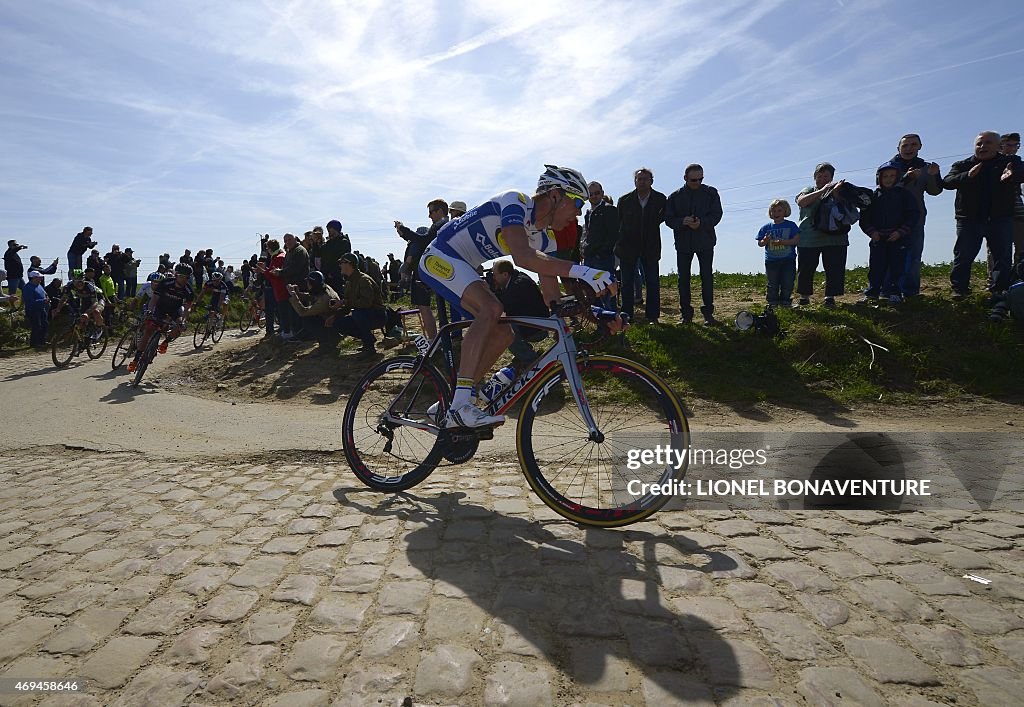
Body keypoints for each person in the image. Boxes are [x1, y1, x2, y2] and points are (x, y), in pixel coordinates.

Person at [418, 165, 611, 429]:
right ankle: (460, 406)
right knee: (491, 309)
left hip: (464, 265)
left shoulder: (544, 239)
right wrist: (585, 271)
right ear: (555, 195)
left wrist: (598, 314)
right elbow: (523, 257)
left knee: (505, 332)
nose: (579, 212)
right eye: (577, 202)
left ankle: (452, 404)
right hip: (440, 257)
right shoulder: (515, 202)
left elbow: (552, 298)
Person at [944, 131, 1024, 298]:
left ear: (998, 146)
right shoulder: (963, 164)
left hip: (1000, 218)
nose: (983, 146)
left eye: (988, 143)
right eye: (979, 144)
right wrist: (968, 175)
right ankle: (959, 289)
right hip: (969, 219)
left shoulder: (1011, 162)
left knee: (1002, 257)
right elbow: (947, 182)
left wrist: (1013, 175)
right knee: (963, 256)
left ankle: (999, 291)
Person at [665, 164, 723, 324]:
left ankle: (708, 315)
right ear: (685, 178)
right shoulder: (674, 197)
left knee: (707, 277)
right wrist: (683, 221)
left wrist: (702, 223)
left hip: (705, 241)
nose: (697, 182)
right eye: (693, 179)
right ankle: (686, 315)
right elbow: (668, 219)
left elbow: (717, 214)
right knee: (683, 279)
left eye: (700, 179)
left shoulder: (711, 193)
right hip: (683, 243)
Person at [887, 134, 943, 297]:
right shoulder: (888, 167)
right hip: (889, 218)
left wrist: (933, 175)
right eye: (905, 146)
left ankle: (910, 292)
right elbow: (884, 189)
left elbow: (934, 191)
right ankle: (888, 290)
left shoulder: (926, 167)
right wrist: (906, 178)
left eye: (913, 145)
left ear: (920, 146)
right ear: (898, 148)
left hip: (915, 219)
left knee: (913, 256)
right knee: (888, 255)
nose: (909, 148)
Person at [857, 162, 919, 304]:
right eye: (885, 176)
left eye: (892, 176)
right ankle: (872, 292)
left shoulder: (905, 195)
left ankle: (895, 292)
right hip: (878, 238)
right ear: (879, 178)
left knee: (897, 266)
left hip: (898, 238)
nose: (888, 179)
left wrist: (901, 232)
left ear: (898, 177)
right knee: (876, 267)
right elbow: (864, 218)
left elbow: (913, 215)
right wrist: (872, 232)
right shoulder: (872, 197)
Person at [795, 162, 849, 308]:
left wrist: (836, 194)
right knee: (806, 268)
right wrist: (823, 191)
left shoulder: (841, 190)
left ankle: (830, 297)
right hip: (809, 238)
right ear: (814, 177)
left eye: (826, 176)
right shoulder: (808, 190)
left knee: (834, 268)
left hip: (836, 238)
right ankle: (804, 297)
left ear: (832, 177)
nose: (823, 179)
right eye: (820, 176)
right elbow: (801, 202)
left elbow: (850, 209)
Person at [615, 168, 666, 323]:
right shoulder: (624, 200)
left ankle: (652, 316)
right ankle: (627, 316)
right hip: (628, 247)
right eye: (639, 179)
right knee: (627, 283)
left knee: (652, 282)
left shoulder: (660, 199)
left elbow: (662, 218)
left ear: (652, 181)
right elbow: (619, 222)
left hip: (650, 247)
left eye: (645, 179)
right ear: (635, 181)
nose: (642, 181)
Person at [396, 199, 449, 340]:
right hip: (436, 270)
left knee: (424, 307)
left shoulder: (441, 225)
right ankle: (441, 340)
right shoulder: (443, 225)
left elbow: (422, 240)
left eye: (431, 212)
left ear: (440, 211)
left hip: (429, 271)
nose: (429, 216)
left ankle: (434, 341)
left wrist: (404, 230)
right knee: (435, 308)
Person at [128, 264, 195, 372]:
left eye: (187, 277)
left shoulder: (189, 290)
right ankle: (135, 360)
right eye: (182, 276)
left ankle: (166, 342)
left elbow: (187, 308)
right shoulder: (166, 283)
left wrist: (183, 321)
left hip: (175, 310)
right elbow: (154, 298)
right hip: (160, 307)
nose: (184, 279)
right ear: (176, 275)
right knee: (148, 331)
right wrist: (150, 310)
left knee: (179, 327)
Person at [488, 259, 550, 367]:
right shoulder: (516, 279)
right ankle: (524, 353)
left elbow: (503, 305)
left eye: (494, 275)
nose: (493, 278)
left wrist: (492, 289)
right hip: (533, 324)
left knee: (504, 330)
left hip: (537, 328)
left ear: (505, 274)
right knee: (504, 325)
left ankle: (531, 360)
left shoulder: (519, 284)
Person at [326, 254, 386, 354]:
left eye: (341, 263)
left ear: (349, 264)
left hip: (377, 315)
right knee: (338, 323)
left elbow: (366, 303)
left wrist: (344, 302)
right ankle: (368, 340)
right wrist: (335, 316)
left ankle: (369, 347)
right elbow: (349, 305)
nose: (340, 265)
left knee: (357, 314)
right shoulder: (350, 282)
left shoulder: (363, 280)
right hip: (365, 314)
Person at [756, 199, 800, 308]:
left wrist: (784, 242)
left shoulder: (791, 225)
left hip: (788, 259)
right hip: (771, 260)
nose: (776, 213)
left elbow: (796, 240)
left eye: (779, 211)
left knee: (788, 281)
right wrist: (765, 241)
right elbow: (760, 243)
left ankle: (785, 301)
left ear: (785, 211)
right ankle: (772, 302)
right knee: (772, 283)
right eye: (773, 211)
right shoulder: (766, 227)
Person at [288, 270, 341, 350]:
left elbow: (303, 312)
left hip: (331, 324)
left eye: (308, 283)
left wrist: (293, 295)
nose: (307, 285)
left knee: (308, 319)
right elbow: (313, 296)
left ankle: (325, 343)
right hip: (332, 319)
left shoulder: (324, 299)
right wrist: (299, 294)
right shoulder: (324, 288)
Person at [52, 269, 105, 333]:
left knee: (96, 312)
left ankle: (99, 328)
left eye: (81, 281)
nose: (79, 284)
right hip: (85, 299)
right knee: (81, 318)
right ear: (73, 281)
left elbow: (95, 302)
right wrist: (58, 309)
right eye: (76, 282)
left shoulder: (89, 286)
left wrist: (87, 313)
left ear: (84, 280)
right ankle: (84, 335)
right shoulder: (69, 286)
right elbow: (63, 299)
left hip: (98, 299)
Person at [1000, 133, 1024, 266]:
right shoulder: (991, 164)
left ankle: (1018, 275)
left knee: (1021, 246)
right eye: (1009, 145)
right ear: (1000, 146)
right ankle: (996, 280)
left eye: (1016, 145)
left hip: (1018, 209)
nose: (1013, 148)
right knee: (999, 247)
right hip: (998, 211)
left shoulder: (1019, 163)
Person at [21, 270, 49, 348]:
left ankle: (42, 341)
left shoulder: (39, 286)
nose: (40, 279)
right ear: (33, 278)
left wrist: (46, 298)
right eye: (39, 278)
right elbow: (30, 301)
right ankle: (34, 343)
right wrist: (43, 300)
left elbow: (44, 294)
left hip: (41, 308)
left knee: (45, 324)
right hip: (32, 310)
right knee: (36, 326)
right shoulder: (27, 287)